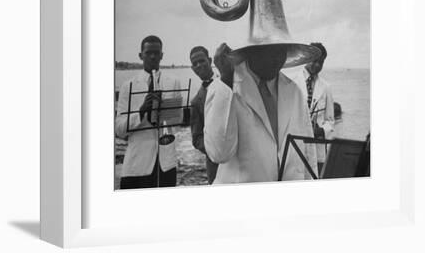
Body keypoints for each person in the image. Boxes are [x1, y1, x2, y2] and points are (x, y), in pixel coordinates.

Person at [204, 43, 319, 184]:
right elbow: (219, 153)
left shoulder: (295, 91)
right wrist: (227, 79)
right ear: (251, 52)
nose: (276, 60)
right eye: (269, 52)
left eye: (281, 51)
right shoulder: (223, 88)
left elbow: (307, 152)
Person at [115, 35, 183, 189]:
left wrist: (163, 112)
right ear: (141, 55)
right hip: (137, 164)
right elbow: (119, 130)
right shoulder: (128, 86)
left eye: (156, 53)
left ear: (162, 55)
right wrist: (141, 112)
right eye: (148, 53)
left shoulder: (174, 82)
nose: (153, 56)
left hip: (166, 162)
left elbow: (178, 122)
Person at [292, 43, 334, 174]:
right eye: (314, 61)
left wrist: (321, 131)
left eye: (321, 62)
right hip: (296, 144)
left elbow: (330, 121)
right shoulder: (292, 81)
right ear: (306, 58)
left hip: (318, 149)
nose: (317, 65)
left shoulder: (326, 87)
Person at [189, 46, 218, 184]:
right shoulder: (195, 102)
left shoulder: (230, 82)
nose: (199, 65)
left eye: (202, 61)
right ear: (192, 69)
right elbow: (197, 138)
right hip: (216, 164)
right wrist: (215, 149)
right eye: (195, 64)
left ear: (210, 60)